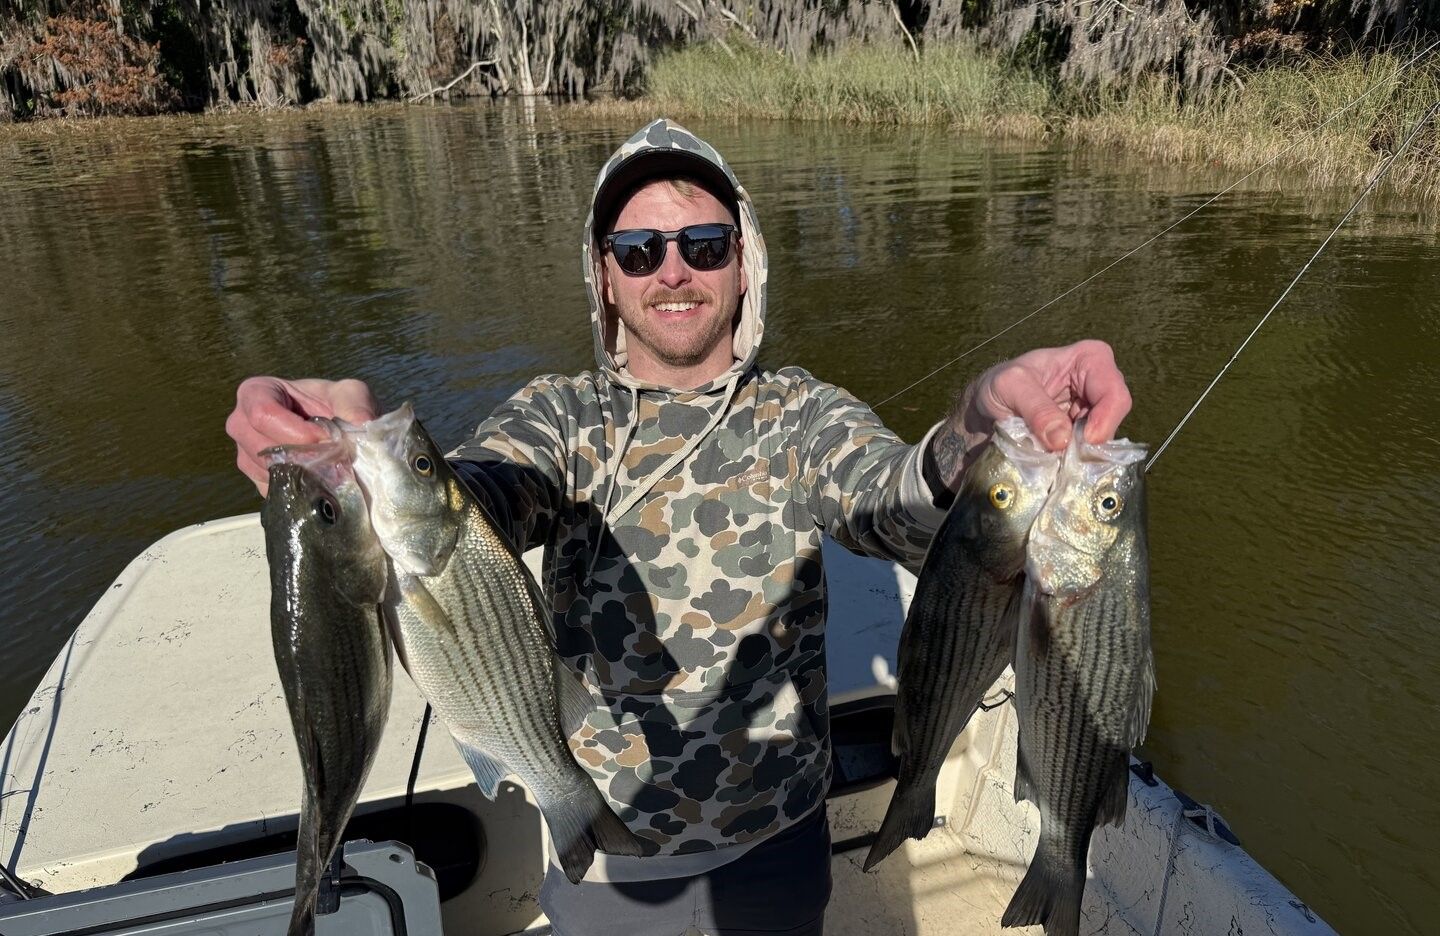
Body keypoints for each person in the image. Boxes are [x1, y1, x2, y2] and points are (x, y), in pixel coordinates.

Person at [225, 119, 1131, 936]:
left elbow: (894, 506)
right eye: (638, 248)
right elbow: (479, 497)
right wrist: (344, 461)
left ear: (745, 264)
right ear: (605, 278)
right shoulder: (563, 417)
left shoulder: (799, 414)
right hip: (606, 863)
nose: (673, 270)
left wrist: (981, 428)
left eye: (703, 244)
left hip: (779, 847)